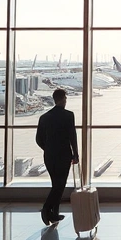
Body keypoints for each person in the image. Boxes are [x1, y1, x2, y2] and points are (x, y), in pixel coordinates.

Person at [36, 88, 79, 226]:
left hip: (49, 156)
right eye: (65, 98)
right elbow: (73, 137)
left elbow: (38, 139)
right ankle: (46, 209)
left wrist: (48, 149)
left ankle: (54, 214)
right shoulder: (68, 115)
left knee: (56, 184)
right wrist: (75, 154)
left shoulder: (44, 117)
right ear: (62, 99)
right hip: (63, 155)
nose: (66, 101)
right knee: (60, 185)